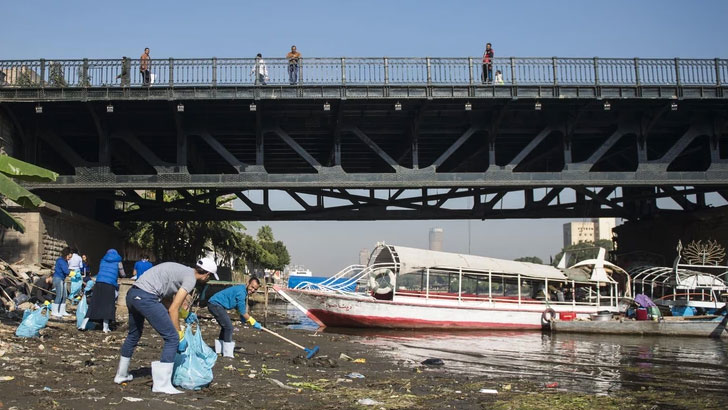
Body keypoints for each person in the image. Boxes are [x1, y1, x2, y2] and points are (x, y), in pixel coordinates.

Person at [114, 257, 218, 394]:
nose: (208, 280)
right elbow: (172, 309)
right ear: (207, 274)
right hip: (146, 297)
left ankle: (121, 375)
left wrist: (184, 314)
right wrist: (180, 335)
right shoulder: (191, 279)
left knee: (134, 334)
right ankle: (162, 384)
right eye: (210, 277)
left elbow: (166, 301)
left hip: (133, 294)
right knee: (172, 338)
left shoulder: (181, 270)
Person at [206, 277, 262, 357]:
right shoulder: (241, 292)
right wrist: (253, 322)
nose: (253, 290)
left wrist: (242, 317)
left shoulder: (243, 291)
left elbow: (238, 306)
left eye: (255, 289)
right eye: (252, 287)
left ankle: (219, 350)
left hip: (216, 304)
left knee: (225, 326)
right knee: (229, 327)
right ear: (248, 283)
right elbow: (243, 311)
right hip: (215, 304)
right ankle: (227, 353)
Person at [83, 249, 125, 333]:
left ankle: (83, 325)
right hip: (110, 284)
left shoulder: (103, 260)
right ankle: (105, 327)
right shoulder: (118, 261)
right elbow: (122, 273)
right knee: (108, 305)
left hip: (99, 283)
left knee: (94, 303)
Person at [51, 247, 73, 318]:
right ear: (66, 254)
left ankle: (62, 311)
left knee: (64, 296)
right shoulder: (60, 261)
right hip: (58, 279)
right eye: (69, 256)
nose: (70, 258)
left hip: (63, 279)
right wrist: (73, 273)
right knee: (59, 295)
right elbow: (66, 271)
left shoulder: (65, 261)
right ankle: (54, 311)